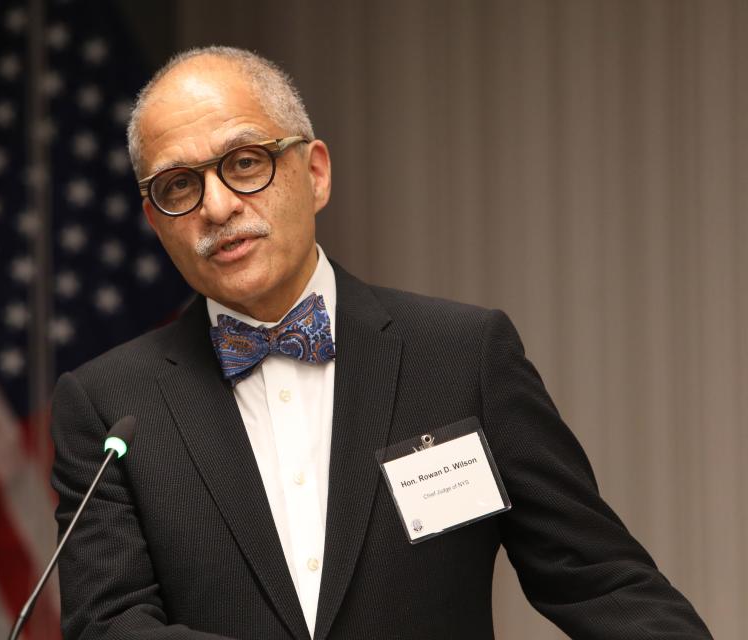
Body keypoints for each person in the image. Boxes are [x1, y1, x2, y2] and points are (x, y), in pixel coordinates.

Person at [49, 46, 710, 639]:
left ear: (315, 173)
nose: (217, 207)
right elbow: (108, 626)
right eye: (179, 186)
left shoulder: (461, 357)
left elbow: (597, 579)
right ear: (154, 222)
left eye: (245, 162)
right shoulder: (109, 407)